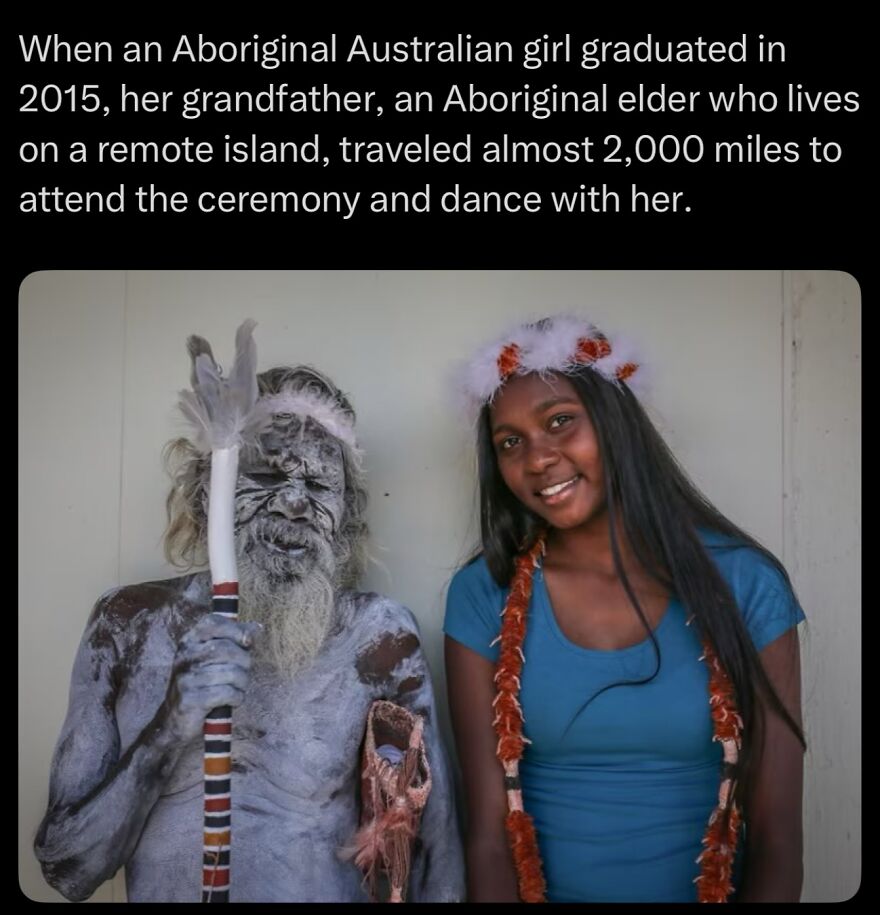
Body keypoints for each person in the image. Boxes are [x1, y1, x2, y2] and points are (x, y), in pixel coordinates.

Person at [34, 339, 464, 903]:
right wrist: (170, 725)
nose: (292, 503)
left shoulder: (378, 638)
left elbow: (436, 862)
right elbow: (66, 871)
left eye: (316, 484)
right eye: (262, 475)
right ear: (205, 493)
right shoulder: (129, 626)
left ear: (346, 516)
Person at [443, 315, 805, 903]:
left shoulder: (745, 584)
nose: (537, 459)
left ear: (616, 424)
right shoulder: (484, 593)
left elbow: (779, 837)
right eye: (510, 442)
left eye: (561, 421)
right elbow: (486, 837)